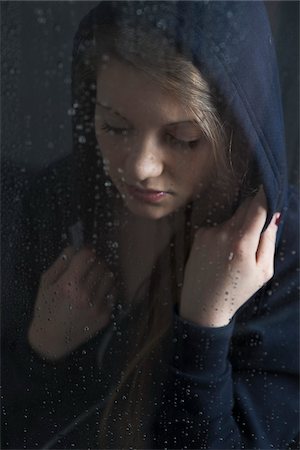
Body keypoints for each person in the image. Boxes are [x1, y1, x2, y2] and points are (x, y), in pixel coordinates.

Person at [2, 1, 299, 449]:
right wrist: (39, 351)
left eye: (183, 139)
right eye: (115, 127)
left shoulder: (283, 254)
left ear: (234, 131)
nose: (140, 168)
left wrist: (206, 328)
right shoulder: (59, 202)